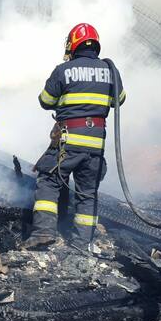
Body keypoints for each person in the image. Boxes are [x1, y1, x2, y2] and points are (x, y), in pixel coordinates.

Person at [23, 23, 125, 250]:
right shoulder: (110, 71)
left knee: (48, 180)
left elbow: (45, 101)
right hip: (96, 146)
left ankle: (43, 232)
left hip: (67, 142)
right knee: (87, 193)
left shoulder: (63, 70)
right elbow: (120, 99)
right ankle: (82, 244)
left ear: (72, 44)